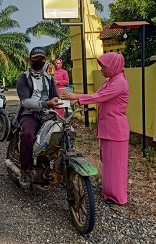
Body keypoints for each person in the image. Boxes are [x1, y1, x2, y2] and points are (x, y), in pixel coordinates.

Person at [64, 52, 129, 205]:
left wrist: (76, 97)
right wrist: (76, 101)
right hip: (108, 127)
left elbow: (99, 97)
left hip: (116, 129)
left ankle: (119, 197)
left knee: (116, 165)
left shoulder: (119, 82)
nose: (102, 70)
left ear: (113, 66)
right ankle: (109, 192)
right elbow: (97, 94)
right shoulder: (109, 81)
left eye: (105, 67)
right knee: (107, 162)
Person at [16, 47, 63, 187]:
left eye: (42, 58)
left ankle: (59, 168)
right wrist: (46, 103)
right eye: (36, 58)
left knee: (61, 133)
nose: (39, 61)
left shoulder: (49, 78)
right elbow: (25, 101)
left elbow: (55, 96)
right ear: (30, 60)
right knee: (28, 135)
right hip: (29, 113)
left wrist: (63, 101)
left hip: (47, 114)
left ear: (45, 60)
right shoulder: (23, 78)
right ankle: (25, 170)